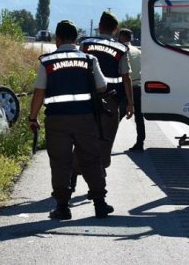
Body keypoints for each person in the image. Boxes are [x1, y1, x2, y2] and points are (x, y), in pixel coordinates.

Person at [28, 20, 114, 220]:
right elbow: (101, 88)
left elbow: (39, 93)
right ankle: (100, 204)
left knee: (60, 162)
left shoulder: (47, 62)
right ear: (76, 39)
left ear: (57, 39)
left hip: (57, 120)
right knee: (91, 159)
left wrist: (32, 118)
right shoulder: (89, 60)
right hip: (85, 118)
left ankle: (63, 207)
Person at [79, 11, 134, 169]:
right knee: (105, 139)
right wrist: (130, 103)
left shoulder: (86, 45)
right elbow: (126, 77)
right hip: (111, 101)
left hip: (87, 99)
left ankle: (74, 174)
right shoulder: (121, 49)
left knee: (83, 137)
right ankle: (99, 175)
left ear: (100, 26)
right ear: (115, 29)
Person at [118, 28, 144, 151]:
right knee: (139, 117)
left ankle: (105, 140)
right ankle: (140, 142)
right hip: (138, 87)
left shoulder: (120, 51)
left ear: (123, 37)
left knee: (117, 115)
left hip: (125, 88)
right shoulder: (138, 51)